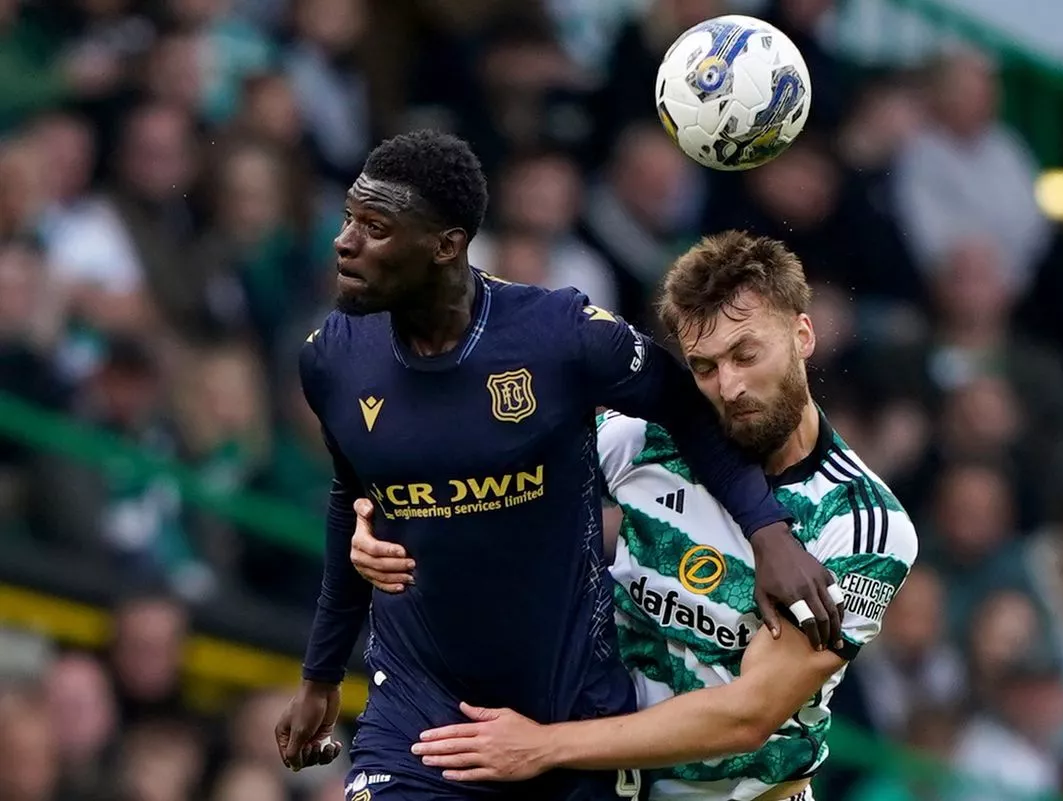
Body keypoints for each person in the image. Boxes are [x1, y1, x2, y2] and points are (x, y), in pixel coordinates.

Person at [273, 132, 844, 801]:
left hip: (571, 712)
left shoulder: (560, 336)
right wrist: (320, 675)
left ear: (445, 245)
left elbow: (689, 410)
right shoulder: (330, 359)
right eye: (348, 220)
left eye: (374, 227)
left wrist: (768, 531)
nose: (344, 242)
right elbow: (353, 495)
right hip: (419, 711)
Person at [352, 231, 920, 800]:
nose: (730, 386)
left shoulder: (861, 524)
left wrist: (544, 745)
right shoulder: (644, 440)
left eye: (747, 353)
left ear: (802, 334)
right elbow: (480, 488)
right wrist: (377, 531)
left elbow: (749, 714)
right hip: (600, 785)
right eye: (703, 367)